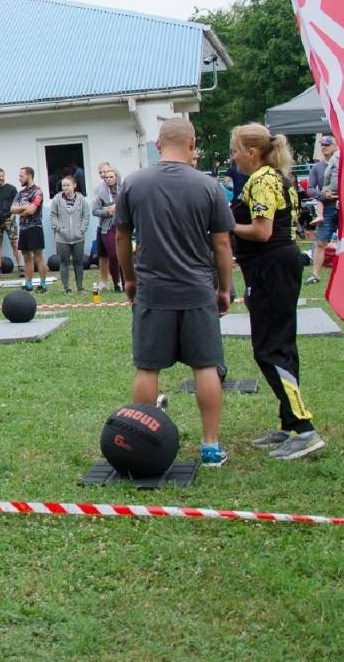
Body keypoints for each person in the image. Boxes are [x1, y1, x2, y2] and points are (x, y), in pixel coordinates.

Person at [115, 117, 235, 467]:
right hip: (198, 289)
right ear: (192, 144)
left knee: (148, 368)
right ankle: (211, 446)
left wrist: (130, 279)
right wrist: (225, 288)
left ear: (157, 144)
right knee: (206, 366)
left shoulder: (133, 183)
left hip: (153, 289)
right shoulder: (209, 186)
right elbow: (223, 243)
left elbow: (122, 237)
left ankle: (142, 443)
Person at [230, 122, 327, 460]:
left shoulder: (261, 181)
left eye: (236, 151)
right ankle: (288, 423)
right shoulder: (276, 177)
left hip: (271, 266)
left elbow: (261, 231)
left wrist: (226, 225)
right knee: (282, 344)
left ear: (252, 153)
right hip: (277, 265)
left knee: (269, 349)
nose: (233, 158)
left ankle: (304, 427)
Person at [305, 135, 340, 284]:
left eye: (327, 144)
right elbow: (310, 189)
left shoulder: (343, 162)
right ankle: (315, 275)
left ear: (335, 146)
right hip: (326, 207)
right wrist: (323, 195)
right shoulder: (317, 168)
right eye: (322, 145)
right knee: (321, 242)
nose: (323, 147)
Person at [49, 174, 89, 295]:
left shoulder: (81, 200)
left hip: (78, 237)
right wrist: (58, 229)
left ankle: (80, 287)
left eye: (67, 185)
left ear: (74, 186)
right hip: (62, 238)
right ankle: (67, 288)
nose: (65, 188)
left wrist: (82, 230)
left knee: (78, 261)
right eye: (63, 185)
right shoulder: (56, 200)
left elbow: (86, 215)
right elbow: (53, 215)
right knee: (64, 262)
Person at [13, 167, 49, 292]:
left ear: (29, 176)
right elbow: (12, 209)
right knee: (26, 256)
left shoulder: (38, 192)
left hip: (35, 227)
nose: (19, 178)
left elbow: (32, 210)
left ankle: (43, 284)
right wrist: (24, 208)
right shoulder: (20, 193)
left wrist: (22, 209)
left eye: (21, 176)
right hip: (23, 228)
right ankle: (28, 284)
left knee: (38, 257)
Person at [92, 163, 123, 292]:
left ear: (116, 177)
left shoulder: (123, 189)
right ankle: (116, 282)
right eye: (106, 177)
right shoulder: (101, 192)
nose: (108, 179)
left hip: (122, 225)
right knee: (112, 255)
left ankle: (126, 282)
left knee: (124, 255)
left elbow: (130, 205)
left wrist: (117, 208)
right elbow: (95, 211)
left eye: (111, 176)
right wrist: (107, 211)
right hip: (107, 227)